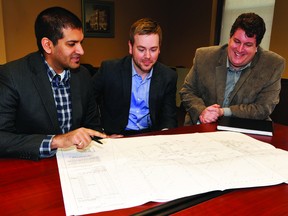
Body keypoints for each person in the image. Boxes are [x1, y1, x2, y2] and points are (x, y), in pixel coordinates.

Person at [0, 7, 106, 160]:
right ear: (48, 45)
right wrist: (55, 141)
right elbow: (2, 138)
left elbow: (92, 126)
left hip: (76, 163)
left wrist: (103, 138)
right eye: (72, 44)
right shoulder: (12, 75)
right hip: (32, 168)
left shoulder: (83, 75)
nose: (81, 51)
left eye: (81, 42)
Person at [179, 12, 285, 125]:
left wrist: (223, 112)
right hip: (202, 127)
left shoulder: (272, 65)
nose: (240, 49)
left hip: (245, 130)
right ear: (230, 38)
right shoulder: (204, 56)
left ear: (256, 47)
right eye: (237, 41)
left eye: (248, 45)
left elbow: (263, 108)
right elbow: (187, 91)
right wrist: (202, 111)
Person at [92, 18, 178, 135]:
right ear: (130, 47)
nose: (147, 56)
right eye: (141, 49)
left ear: (159, 49)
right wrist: (102, 134)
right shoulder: (109, 70)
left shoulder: (168, 76)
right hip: (115, 136)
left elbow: (169, 116)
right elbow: (87, 103)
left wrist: (164, 134)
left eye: (153, 49)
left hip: (151, 136)